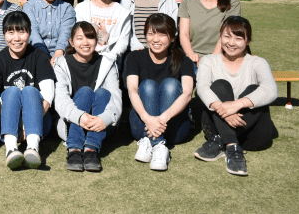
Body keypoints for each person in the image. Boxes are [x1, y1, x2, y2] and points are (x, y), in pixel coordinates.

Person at [195, 16, 277, 176]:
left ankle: (222, 141)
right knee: (220, 85)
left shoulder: (257, 62)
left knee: (254, 89)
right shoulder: (209, 61)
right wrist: (222, 108)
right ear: (220, 37)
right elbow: (202, 88)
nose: (231, 43)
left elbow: (271, 89)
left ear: (247, 41)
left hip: (251, 135)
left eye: (238, 38)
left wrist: (237, 104)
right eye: (227, 36)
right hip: (215, 125)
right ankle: (231, 146)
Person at [125, 14, 194, 171]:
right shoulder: (134, 57)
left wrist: (160, 121)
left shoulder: (183, 59)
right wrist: (148, 119)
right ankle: (159, 146)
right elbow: (132, 90)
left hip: (174, 128)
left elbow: (187, 94)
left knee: (170, 84)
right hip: (142, 126)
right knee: (148, 85)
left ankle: (155, 142)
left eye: (162, 34)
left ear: (171, 38)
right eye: (151, 34)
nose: (155, 39)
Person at [0, 11, 56, 170]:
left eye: (21, 31)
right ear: (4, 34)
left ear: (29, 33)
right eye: (11, 32)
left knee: (30, 91)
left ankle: (32, 148)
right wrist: (14, 121)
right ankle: (11, 150)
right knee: (12, 92)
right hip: (5, 123)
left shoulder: (39, 56)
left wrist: (27, 124)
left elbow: (47, 95)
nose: (16, 38)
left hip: (37, 122)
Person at [54, 21, 121, 172]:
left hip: (101, 125)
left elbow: (115, 97)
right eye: (79, 38)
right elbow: (60, 99)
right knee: (85, 91)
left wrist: (104, 119)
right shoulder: (61, 63)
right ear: (71, 42)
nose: (85, 42)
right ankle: (74, 150)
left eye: (90, 38)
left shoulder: (107, 62)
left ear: (96, 41)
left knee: (103, 93)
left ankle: (91, 149)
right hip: (72, 124)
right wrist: (80, 117)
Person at [179, 0, 241, 68]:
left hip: (221, 57)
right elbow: (184, 33)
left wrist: (211, 60)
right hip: (192, 58)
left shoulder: (233, 4)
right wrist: (191, 55)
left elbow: (227, 34)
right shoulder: (188, 1)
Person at [75, 0, 132, 81]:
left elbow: (122, 43)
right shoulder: (82, 8)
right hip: (85, 62)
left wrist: (107, 59)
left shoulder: (122, 12)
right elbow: (79, 37)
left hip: (111, 63)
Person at [22, 0, 76, 67]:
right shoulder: (29, 6)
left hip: (62, 56)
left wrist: (58, 53)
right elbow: (32, 32)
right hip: (35, 55)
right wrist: (43, 55)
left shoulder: (67, 8)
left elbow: (66, 33)